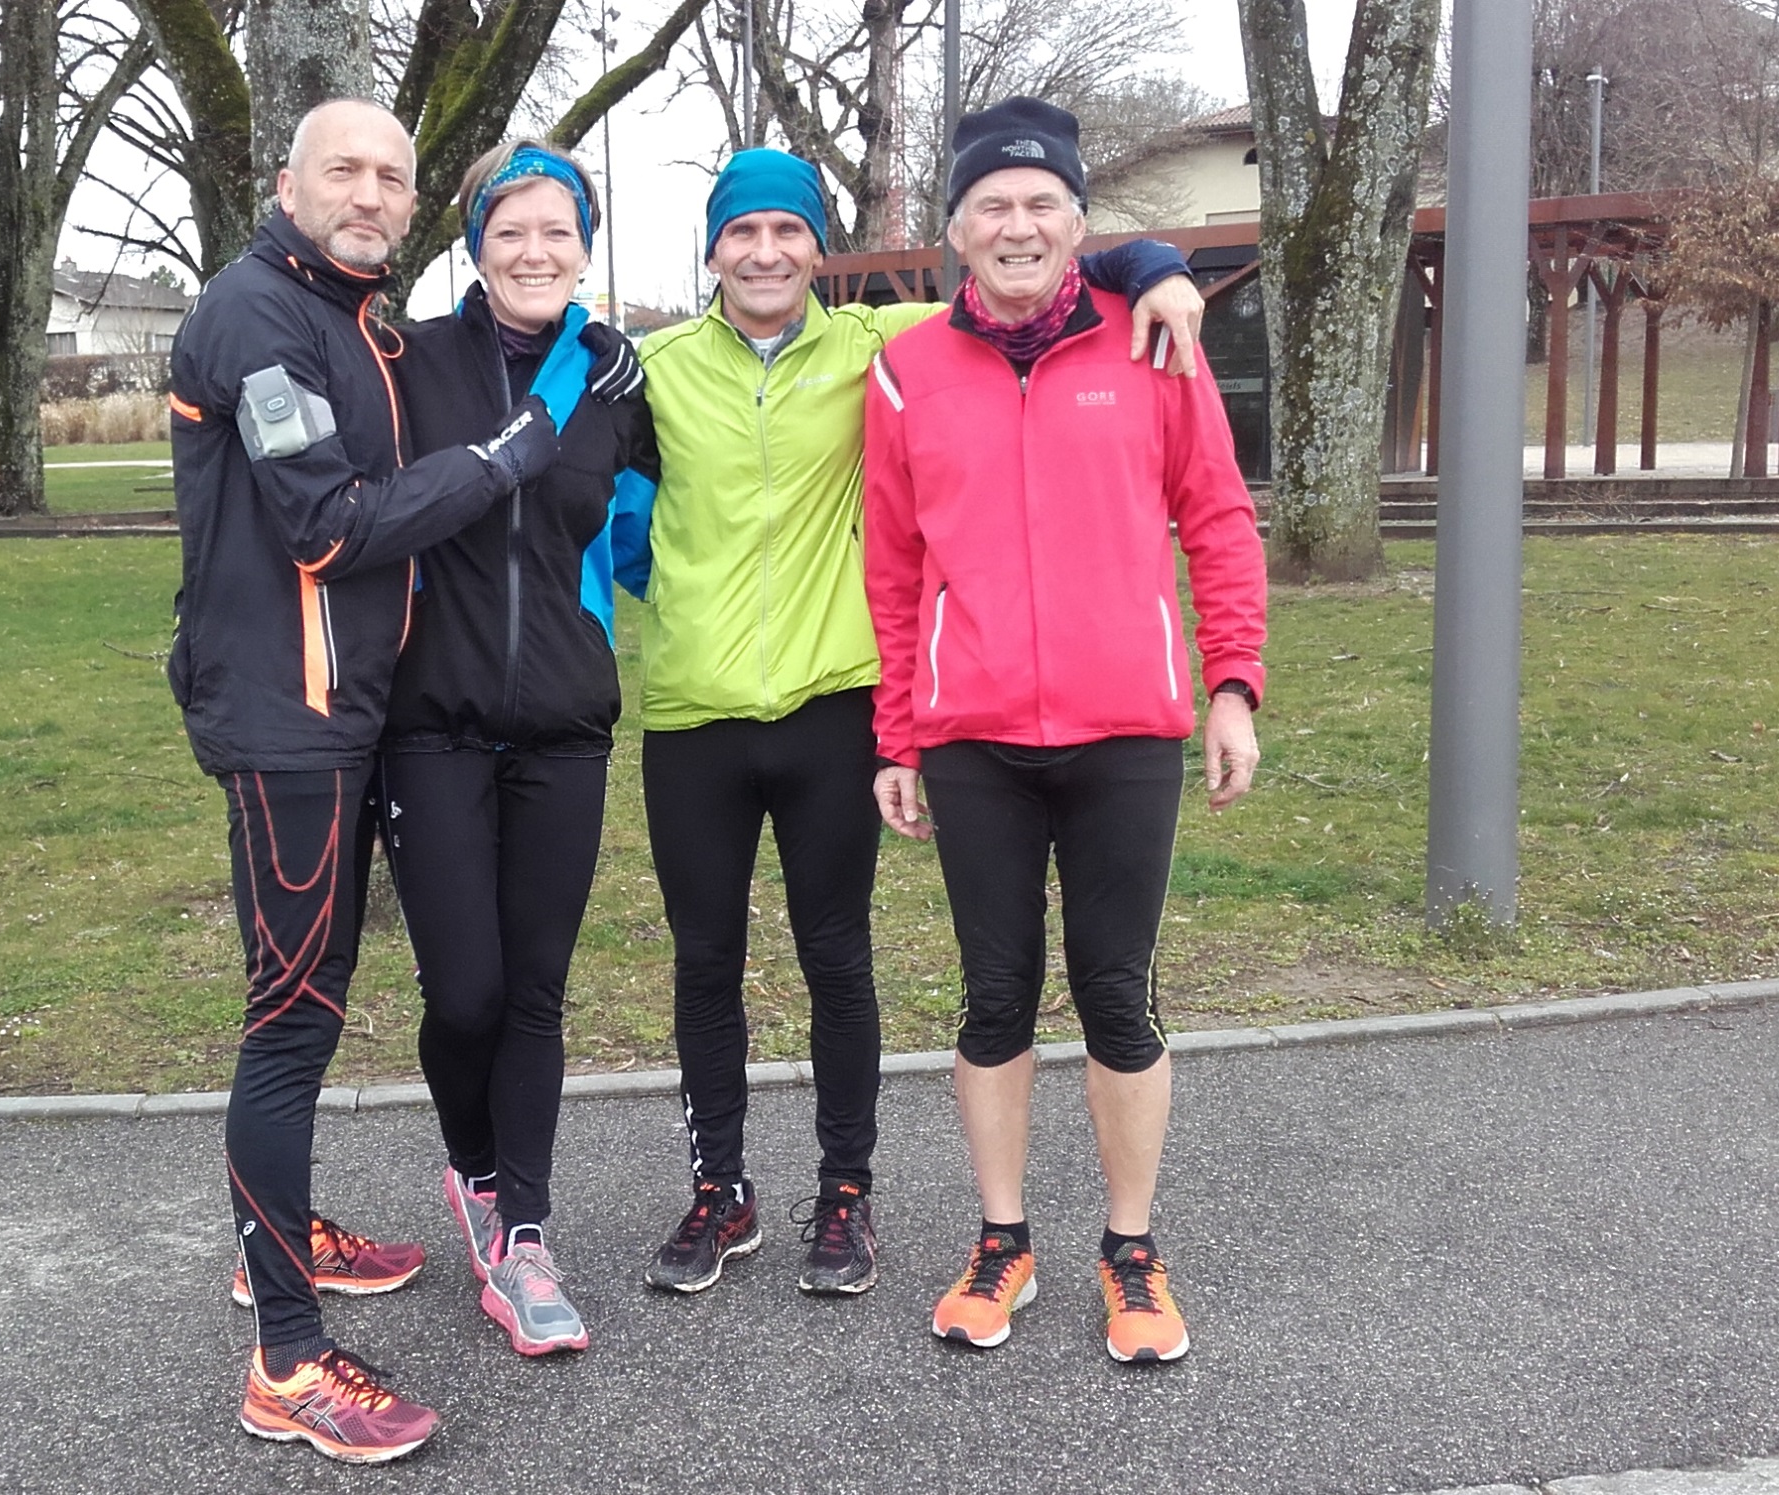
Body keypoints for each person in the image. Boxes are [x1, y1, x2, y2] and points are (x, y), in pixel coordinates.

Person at [615, 147, 1208, 1298]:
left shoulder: (880, 347)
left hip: (836, 697)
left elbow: (1030, 270)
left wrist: (1157, 266)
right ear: (712, 251)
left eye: (789, 231)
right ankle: (718, 1189)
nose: (766, 251)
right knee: (705, 961)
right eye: (743, 233)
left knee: (838, 954)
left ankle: (846, 1195)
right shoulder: (653, 366)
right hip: (694, 709)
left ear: (819, 251)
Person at [165, 99, 567, 1465]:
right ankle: (283, 1354)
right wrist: (505, 453)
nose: (370, 193)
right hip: (292, 726)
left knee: (316, 1000)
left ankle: (280, 1236)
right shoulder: (257, 318)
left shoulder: (345, 315)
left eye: (392, 177)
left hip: (347, 721)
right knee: (286, 1025)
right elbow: (329, 528)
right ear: (286, 181)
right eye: (344, 168)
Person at [861, 97, 1268, 1361]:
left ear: (1079, 226)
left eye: (1043, 205)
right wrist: (897, 732)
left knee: (1117, 997)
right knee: (994, 998)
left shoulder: (1152, 342)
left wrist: (1232, 684)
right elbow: (893, 562)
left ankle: (1131, 1253)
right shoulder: (907, 370)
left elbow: (1218, 519)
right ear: (957, 232)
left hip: (1123, 732)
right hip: (974, 735)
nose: (1018, 225)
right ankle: (1003, 1241)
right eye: (992, 205)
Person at [377, 138, 652, 1357]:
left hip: (564, 731)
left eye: (559, 232)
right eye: (511, 230)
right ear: (476, 245)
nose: (535, 252)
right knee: (465, 991)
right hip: (429, 726)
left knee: (534, 993)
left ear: (585, 247)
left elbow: (637, 538)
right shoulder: (413, 365)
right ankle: (472, 1166)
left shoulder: (615, 382)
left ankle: (522, 1233)